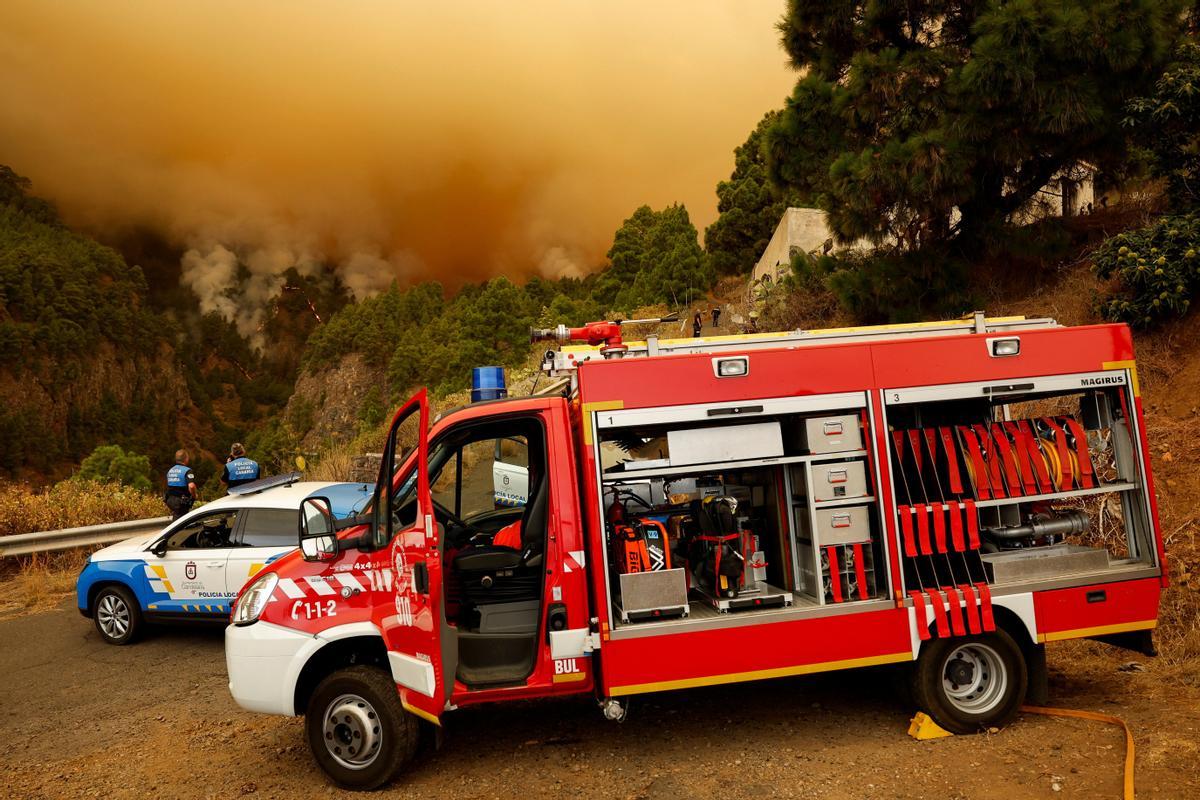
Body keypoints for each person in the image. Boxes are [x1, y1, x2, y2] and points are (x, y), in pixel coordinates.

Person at [164, 450, 198, 520]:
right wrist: (194, 495)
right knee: (181, 522)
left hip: (170, 500)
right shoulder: (187, 470)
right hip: (181, 502)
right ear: (186, 459)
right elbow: (191, 486)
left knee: (177, 517)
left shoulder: (170, 470)